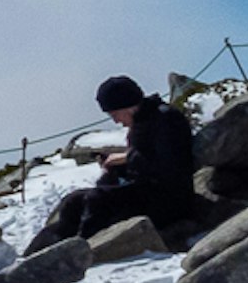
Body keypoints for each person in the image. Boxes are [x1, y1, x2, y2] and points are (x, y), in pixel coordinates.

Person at [42, 76, 200, 248]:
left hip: (171, 201)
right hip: (148, 193)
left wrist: (127, 158)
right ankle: (51, 250)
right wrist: (119, 166)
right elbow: (144, 160)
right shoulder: (143, 122)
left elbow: (170, 166)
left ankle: (82, 251)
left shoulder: (166, 119)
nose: (116, 121)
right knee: (73, 201)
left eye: (114, 114)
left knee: (98, 199)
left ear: (128, 106)